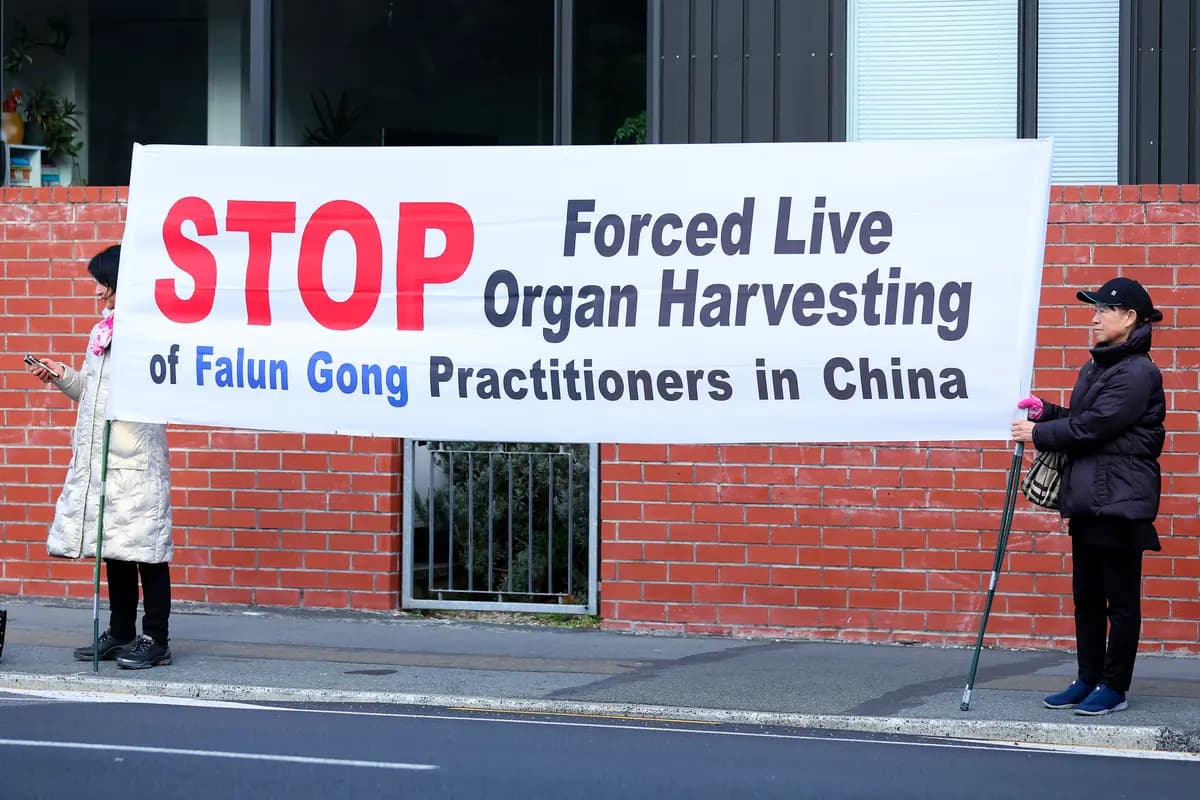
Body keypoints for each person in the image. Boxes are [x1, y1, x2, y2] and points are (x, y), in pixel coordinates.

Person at [1011, 276, 1165, 716]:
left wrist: (1039, 433)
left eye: (1103, 309)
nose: (1094, 317)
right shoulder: (1098, 365)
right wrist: (1048, 411)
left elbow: (1094, 428)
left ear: (1130, 317)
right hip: (1090, 499)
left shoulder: (1138, 372)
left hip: (1119, 502)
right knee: (1087, 598)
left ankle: (1113, 687)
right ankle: (1087, 678)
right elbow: (1082, 418)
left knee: (1120, 601)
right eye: (1093, 309)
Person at [26, 244, 175, 669]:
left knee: (147, 550)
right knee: (115, 549)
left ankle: (156, 639)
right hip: (107, 462)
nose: (98, 292)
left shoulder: (148, 336)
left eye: (104, 284)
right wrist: (63, 376)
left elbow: (154, 393)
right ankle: (123, 631)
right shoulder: (103, 334)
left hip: (136, 460)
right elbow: (93, 395)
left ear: (123, 285)